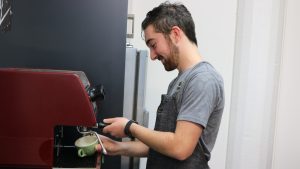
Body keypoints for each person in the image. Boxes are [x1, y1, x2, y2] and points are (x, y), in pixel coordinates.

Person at [96, 1, 224, 169]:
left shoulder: (203, 79)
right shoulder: (179, 81)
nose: (152, 56)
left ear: (176, 34)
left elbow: (180, 147)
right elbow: (164, 145)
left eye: (153, 45)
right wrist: (117, 147)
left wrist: (129, 127)